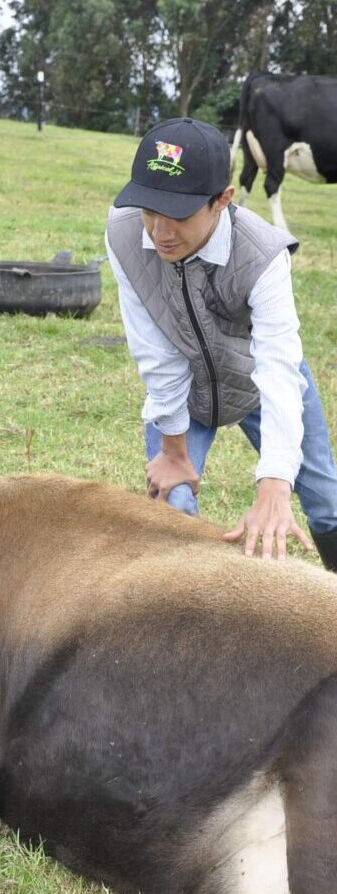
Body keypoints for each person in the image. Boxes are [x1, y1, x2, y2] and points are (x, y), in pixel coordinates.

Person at [105, 116, 337, 568]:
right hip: (186, 387)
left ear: (222, 201)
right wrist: (173, 450)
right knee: (173, 508)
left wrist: (274, 480)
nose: (160, 232)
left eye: (179, 216)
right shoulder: (124, 234)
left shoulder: (263, 254)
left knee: (327, 499)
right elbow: (155, 349)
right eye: (150, 211)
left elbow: (279, 370)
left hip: (258, 380)